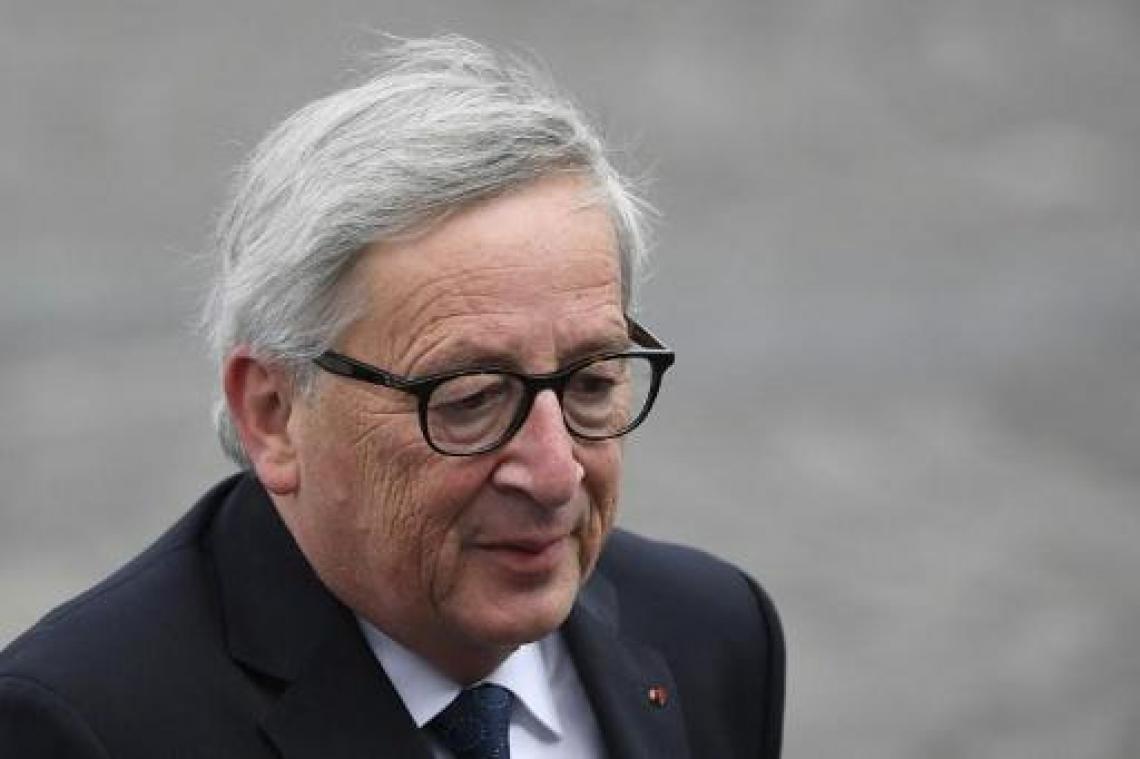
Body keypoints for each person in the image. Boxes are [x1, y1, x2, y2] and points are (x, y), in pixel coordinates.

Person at [0, 35, 784, 758]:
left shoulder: (713, 634)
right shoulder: (82, 726)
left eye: (591, 382)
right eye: (471, 399)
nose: (554, 474)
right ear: (273, 413)